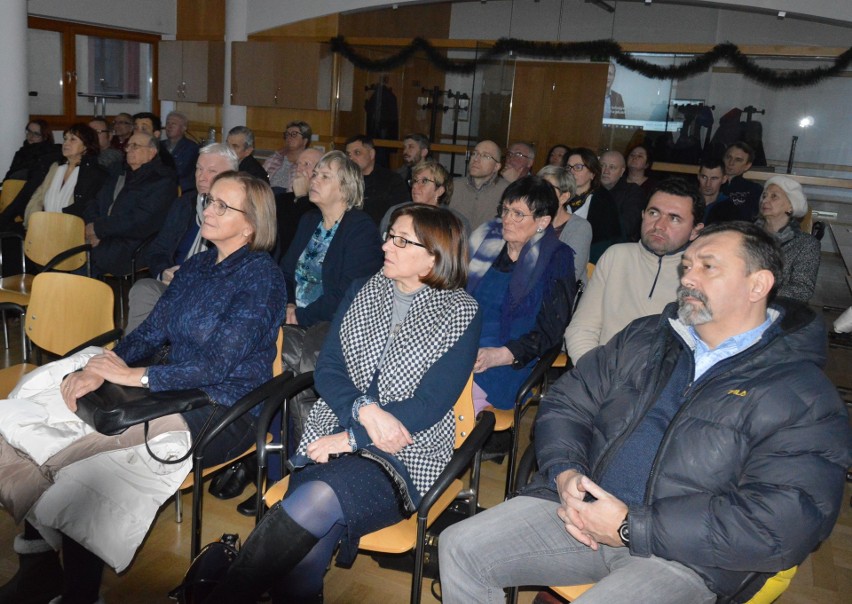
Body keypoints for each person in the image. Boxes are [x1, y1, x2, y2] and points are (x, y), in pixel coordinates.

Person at [440, 221, 852, 604]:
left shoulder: (800, 393)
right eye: (687, 265)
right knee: (459, 547)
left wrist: (629, 525)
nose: (688, 277)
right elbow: (567, 402)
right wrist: (565, 471)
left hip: (686, 558)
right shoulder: (645, 337)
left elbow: (785, 521)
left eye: (708, 267)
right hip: (581, 512)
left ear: (757, 285)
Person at [0, 172, 287, 604]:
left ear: (251, 225)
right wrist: (107, 365)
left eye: (222, 206)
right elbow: (151, 332)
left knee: (86, 463)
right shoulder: (197, 265)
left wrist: (134, 377)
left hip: (227, 406)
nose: (208, 209)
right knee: (45, 407)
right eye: (209, 200)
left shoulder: (262, 278)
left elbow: (218, 365)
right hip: (170, 388)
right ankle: (40, 564)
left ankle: (78, 592)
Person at [203, 204, 481, 603]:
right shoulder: (364, 289)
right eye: (390, 235)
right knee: (307, 545)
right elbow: (328, 369)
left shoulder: (460, 312)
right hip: (332, 431)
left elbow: (430, 405)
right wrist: (362, 412)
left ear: (434, 256)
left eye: (401, 240)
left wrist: (352, 440)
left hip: (408, 450)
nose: (387, 245)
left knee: (317, 501)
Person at [467, 175, 576, 412]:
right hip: (463, 344)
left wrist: (499, 355)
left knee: (442, 401)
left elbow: (551, 330)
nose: (506, 219)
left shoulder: (556, 257)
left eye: (518, 214)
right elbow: (452, 294)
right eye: (505, 210)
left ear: (543, 221)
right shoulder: (486, 240)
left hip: (507, 360)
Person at [565, 178, 704, 362]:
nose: (659, 226)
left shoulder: (703, 276)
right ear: (642, 214)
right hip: (602, 373)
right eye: (654, 213)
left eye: (674, 218)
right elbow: (582, 328)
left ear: (695, 231)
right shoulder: (616, 256)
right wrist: (592, 375)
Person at [126, 143, 240, 333]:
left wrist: (193, 280)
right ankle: (132, 356)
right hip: (174, 285)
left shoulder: (238, 214)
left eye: (211, 171)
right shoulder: (184, 204)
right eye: (198, 169)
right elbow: (158, 249)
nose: (202, 177)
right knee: (143, 288)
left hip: (211, 294)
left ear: (231, 176)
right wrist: (164, 272)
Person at [281, 150, 384, 327]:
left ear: (345, 188)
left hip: (329, 326)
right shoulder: (309, 220)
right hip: (293, 319)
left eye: (325, 177)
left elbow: (348, 294)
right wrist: (289, 305)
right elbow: (285, 272)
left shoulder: (361, 230)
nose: (314, 180)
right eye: (315, 174)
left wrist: (300, 316)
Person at [83, 132, 177, 276]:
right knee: (65, 250)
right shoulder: (118, 172)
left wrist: (98, 229)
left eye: (135, 146)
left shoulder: (162, 181)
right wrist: (92, 227)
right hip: (101, 235)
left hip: (131, 243)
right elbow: (93, 201)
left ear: (152, 152)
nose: (128, 150)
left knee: (79, 264)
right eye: (128, 146)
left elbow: (140, 221)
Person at [22, 123, 108, 226]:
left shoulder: (94, 173)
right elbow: (38, 197)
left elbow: (85, 208)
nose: (66, 143)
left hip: (72, 228)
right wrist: (35, 221)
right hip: (43, 225)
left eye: (72, 139)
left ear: (86, 145)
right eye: (65, 139)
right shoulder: (55, 167)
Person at [757, 175, 820, 302]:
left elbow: (802, 289)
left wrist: (760, 292)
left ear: (791, 206)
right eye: (764, 196)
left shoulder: (806, 244)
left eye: (774, 196)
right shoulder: (746, 234)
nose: (765, 201)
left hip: (780, 308)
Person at [380, 158, 469, 235]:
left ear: (439, 191)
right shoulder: (396, 213)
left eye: (424, 181)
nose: (415, 186)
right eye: (415, 181)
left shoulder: (455, 223)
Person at [565, 148, 622, 263]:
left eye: (578, 167)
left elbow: (604, 243)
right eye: (568, 167)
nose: (571, 172)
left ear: (592, 173)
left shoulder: (603, 201)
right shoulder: (559, 196)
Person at [538, 165, 592, 284]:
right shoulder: (531, 218)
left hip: (558, 295)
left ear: (564, 197)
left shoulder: (580, 227)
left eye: (548, 188)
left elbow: (570, 274)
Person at [344, 134, 409, 226]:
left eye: (357, 153)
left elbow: (401, 214)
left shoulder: (391, 180)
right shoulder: (343, 180)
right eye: (348, 155)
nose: (351, 158)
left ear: (371, 154)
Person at [452, 140, 509, 231]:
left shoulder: (506, 191)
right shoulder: (454, 186)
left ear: (496, 167)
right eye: (474, 154)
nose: (476, 159)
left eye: (485, 156)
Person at [599, 150, 645, 242]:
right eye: (602, 166)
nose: (605, 171)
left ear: (622, 171)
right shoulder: (591, 189)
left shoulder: (632, 192)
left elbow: (627, 226)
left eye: (612, 167)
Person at [720, 141, 763, 222]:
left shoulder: (754, 190)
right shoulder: (710, 184)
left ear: (747, 166)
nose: (731, 163)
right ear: (723, 159)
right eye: (728, 157)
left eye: (738, 160)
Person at [264, 121, 311, 192]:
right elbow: (261, 179)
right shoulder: (274, 158)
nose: (289, 137)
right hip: (269, 196)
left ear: (305, 141)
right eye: (287, 134)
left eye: (294, 134)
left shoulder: (309, 163)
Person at [161, 111, 200, 195]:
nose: (169, 127)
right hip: (162, 187)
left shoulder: (192, 148)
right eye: (168, 123)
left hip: (183, 190)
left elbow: (180, 170)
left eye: (174, 124)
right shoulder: (159, 145)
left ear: (184, 128)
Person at [697, 157, 730, 224]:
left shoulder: (729, 208)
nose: (708, 184)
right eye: (704, 177)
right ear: (698, 176)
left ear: (724, 179)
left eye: (714, 178)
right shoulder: (687, 201)